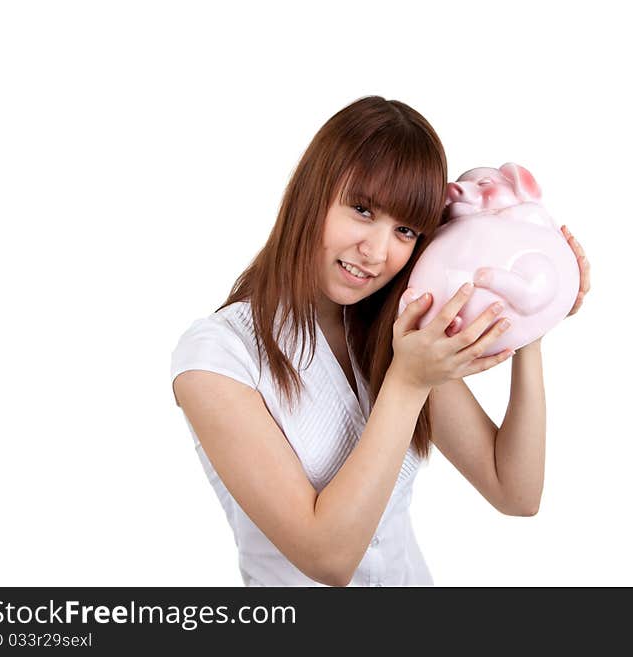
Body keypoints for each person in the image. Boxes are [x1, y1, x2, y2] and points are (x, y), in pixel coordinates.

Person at [170, 95, 591, 587]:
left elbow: (515, 491)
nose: (376, 252)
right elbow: (328, 559)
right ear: (312, 192)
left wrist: (530, 327)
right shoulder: (217, 357)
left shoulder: (396, 332)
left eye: (406, 230)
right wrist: (408, 383)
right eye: (362, 209)